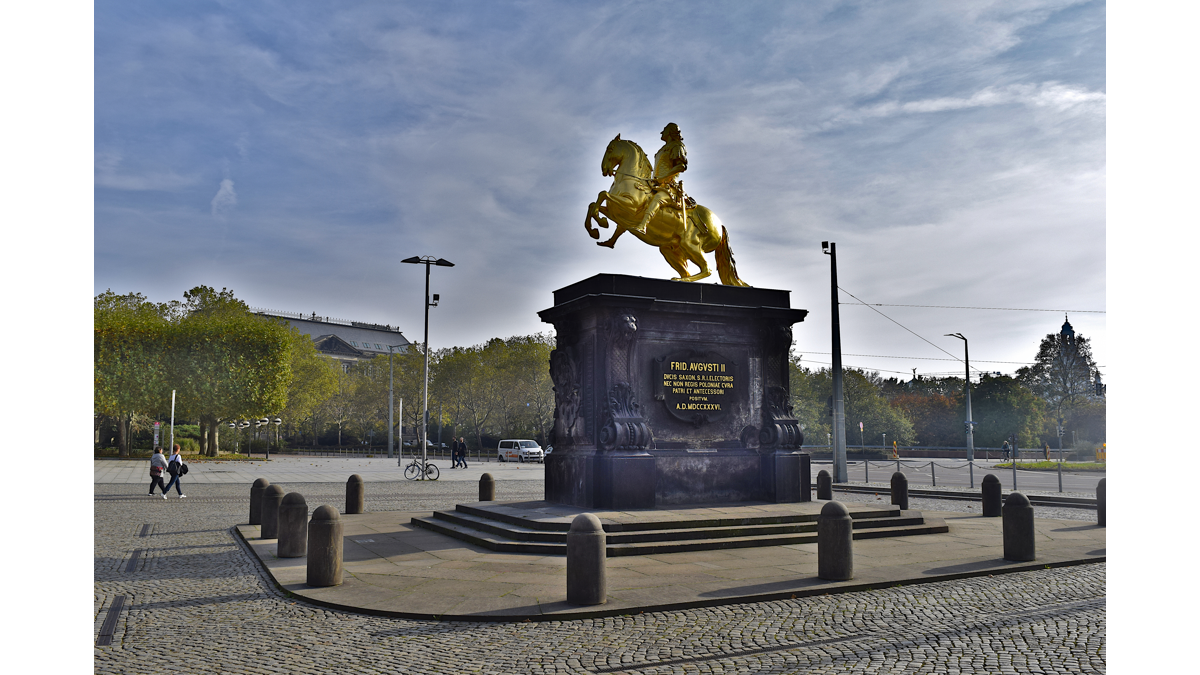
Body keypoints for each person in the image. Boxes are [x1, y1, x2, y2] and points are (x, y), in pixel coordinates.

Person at [633, 123, 688, 235]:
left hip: (669, 186)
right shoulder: (663, 149)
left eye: (664, 130)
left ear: (670, 132)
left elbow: (681, 166)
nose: (662, 132)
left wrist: (664, 177)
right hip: (656, 184)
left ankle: (643, 226)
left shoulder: (677, 146)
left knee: (657, 199)